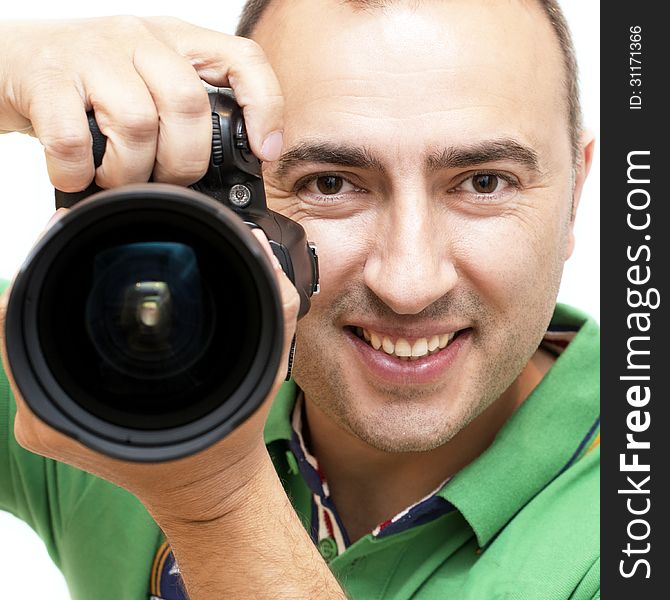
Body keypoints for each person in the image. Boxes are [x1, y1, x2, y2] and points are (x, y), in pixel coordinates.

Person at [0, 0, 599, 598]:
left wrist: (215, 502)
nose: (409, 284)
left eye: (483, 182)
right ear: (232, 189)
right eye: (330, 184)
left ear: (575, 193)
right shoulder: (90, 362)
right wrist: (14, 64)